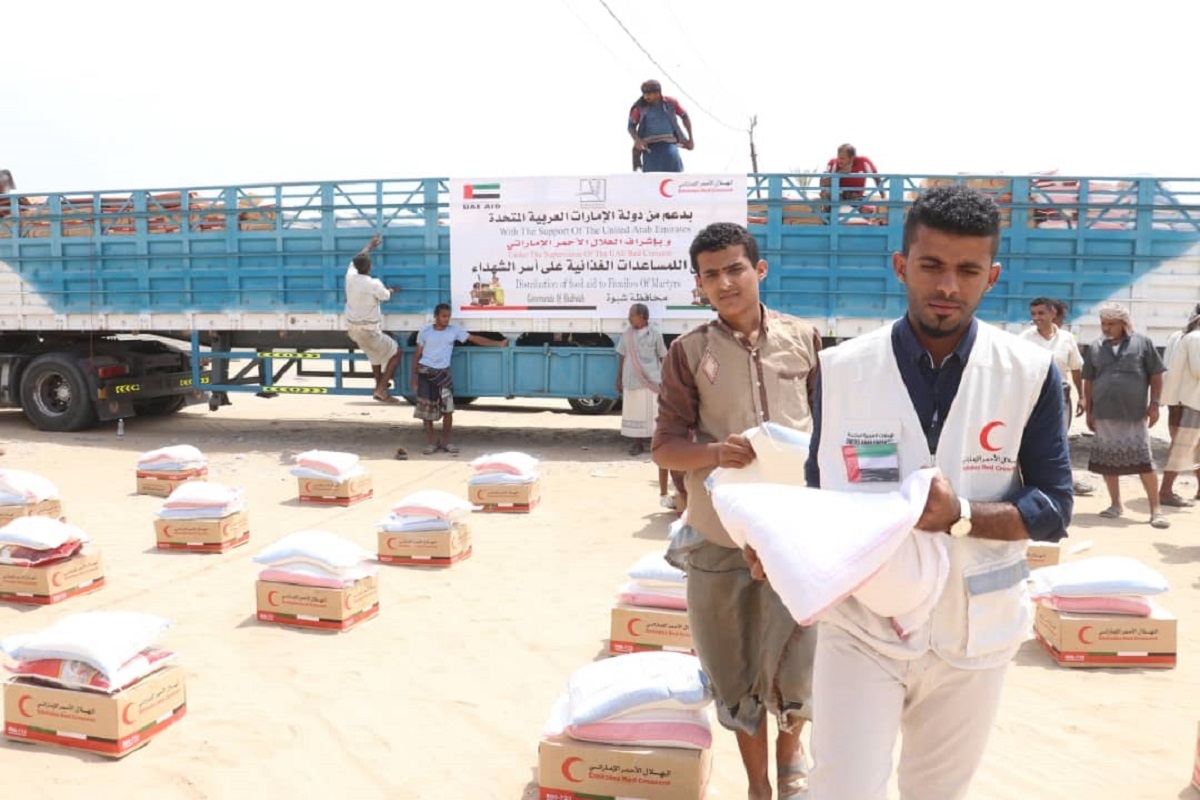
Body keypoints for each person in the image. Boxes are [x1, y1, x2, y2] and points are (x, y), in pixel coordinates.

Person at [797, 185, 1072, 800]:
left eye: (967, 270)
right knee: (841, 789)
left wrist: (962, 517)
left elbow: (1054, 509)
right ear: (901, 266)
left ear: (991, 276)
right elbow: (818, 493)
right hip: (862, 625)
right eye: (932, 266)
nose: (948, 285)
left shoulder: (1028, 374)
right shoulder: (840, 371)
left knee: (937, 793)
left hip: (973, 631)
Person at [654, 222, 822, 800]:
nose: (725, 282)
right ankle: (757, 786)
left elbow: (831, 435)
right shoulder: (689, 353)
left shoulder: (805, 340)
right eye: (711, 274)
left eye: (735, 269)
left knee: (798, 659)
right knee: (735, 667)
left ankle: (791, 762)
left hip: (795, 535)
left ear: (759, 270)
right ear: (698, 284)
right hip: (719, 538)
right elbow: (665, 446)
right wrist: (713, 453)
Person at [1081, 302, 1168, 527]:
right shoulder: (1096, 346)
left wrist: (1155, 404)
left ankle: (1156, 509)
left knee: (1144, 461)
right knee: (1108, 461)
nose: (1106, 328)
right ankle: (1115, 504)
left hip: (1134, 413)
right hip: (1104, 413)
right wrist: (1089, 410)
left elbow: (1156, 375)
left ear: (1124, 324)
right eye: (1103, 323)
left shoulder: (1143, 344)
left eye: (1111, 324)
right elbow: (1089, 380)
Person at [1019, 296, 1094, 496]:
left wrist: (1082, 397)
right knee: (1030, 438)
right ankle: (1030, 481)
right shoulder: (1025, 338)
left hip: (1060, 395)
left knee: (1060, 439)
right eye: (1033, 314)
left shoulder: (1067, 338)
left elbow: (1076, 369)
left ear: (1053, 314)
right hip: (1032, 396)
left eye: (1041, 313)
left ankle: (1063, 481)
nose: (1036, 318)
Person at [411, 303, 508, 455]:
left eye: (448, 316)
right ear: (435, 316)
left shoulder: (454, 331)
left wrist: (498, 343)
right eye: (443, 316)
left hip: (443, 375)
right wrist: (414, 379)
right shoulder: (425, 332)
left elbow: (475, 339)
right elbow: (417, 355)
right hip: (425, 372)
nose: (446, 319)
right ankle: (431, 443)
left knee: (448, 410)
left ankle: (446, 442)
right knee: (426, 411)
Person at [614, 303, 677, 509]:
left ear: (642, 317)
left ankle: (654, 444)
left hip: (651, 379)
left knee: (652, 414)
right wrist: (618, 377)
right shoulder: (627, 335)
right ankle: (637, 443)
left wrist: (666, 378)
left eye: (632, 315)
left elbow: (663, 356)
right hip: (631, 379)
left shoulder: (655, 334)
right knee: (635, 412)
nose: (629, 318)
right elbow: (622, 356)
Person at [344, 234, 402, 404]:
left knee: (374, 356)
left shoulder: (350, 276)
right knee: (396, 353)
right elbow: (385, 296)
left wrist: (369, 246)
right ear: (369, 266)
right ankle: (381, 388)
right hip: (369, 330)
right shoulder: (373, 283)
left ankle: (379, 387)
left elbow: (357, 259)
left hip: (353, 330)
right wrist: (392, 290)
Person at [1159, 305, 1200, 506]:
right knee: (1182, 448)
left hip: (1179, 401)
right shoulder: (1196, 338)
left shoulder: (1178, 335)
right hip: (1192, 402)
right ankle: (1165, 491)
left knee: (1192, 447)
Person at [628, 79, 693, 173]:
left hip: (669, 141)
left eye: (649, 94)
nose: (646, 97)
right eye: (644, 94)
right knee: (650, 174)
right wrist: (637, 140)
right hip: (649, 144)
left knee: (673, 162)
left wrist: (690, 139)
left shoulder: (671, 103)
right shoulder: (639, 107)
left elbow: (685, 117)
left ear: (657, 93)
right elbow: (631, 126)